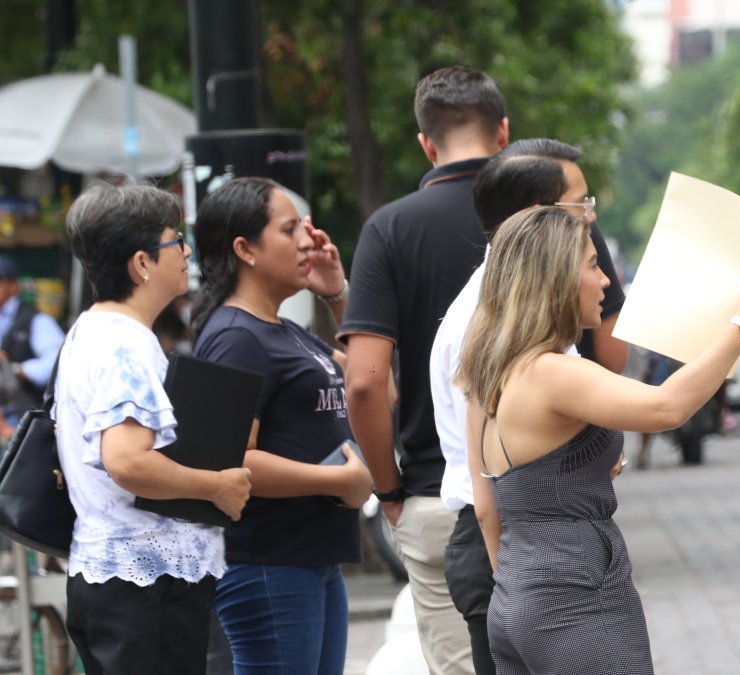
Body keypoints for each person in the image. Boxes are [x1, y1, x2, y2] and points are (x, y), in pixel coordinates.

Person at [455, 205, 740, 673]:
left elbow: (488, 510)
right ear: (555, 279)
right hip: (577, 599)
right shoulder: (553, 372)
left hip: (514, 601)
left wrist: (522, 589)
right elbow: (667, 407)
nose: (606, 279)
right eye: (592, 265)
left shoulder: (486, 376)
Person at [430, 140, 627, 675]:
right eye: (579, 204)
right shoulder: (491, 322)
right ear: (538, 217)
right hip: (511, 546)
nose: (590, 218)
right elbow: (488, 491)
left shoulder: (523, 316)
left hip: (525, 552)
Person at [341, 65, 507, 674]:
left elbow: (364, 382)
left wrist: (389, 491)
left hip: (439, 493)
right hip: (542, 493)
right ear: (503, 132)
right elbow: (610, 348)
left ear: (425, 144)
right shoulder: (546, 217)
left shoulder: (390, 229)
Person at [57, 183, 252, 675]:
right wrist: (217, 486)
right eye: (175, 240)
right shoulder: (127, 344)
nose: (186, 252)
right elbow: (127, 461)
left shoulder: (90, 329)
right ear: (142, 263)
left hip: (119, 579)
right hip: (144, 587)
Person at [191, 177, 374, 674]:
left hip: (310, 557)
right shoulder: (236, 338)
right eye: (289, 229)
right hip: (269, 561)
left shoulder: (285, 331)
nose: (307, 243)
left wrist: (338, 294)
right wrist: (337, 480)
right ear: (245, 249)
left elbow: (375, 388)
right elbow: (230, 460)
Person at [0, 254, 64, 432]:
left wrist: (14, 370)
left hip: (20, 416)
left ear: (13, 285)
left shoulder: (36, 320)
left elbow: (56, 364)